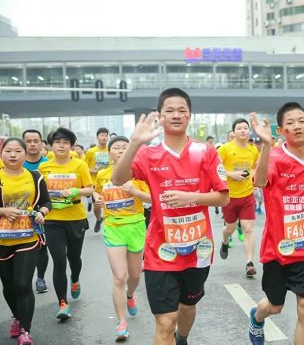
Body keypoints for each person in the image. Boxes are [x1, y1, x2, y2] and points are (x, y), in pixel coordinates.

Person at [111, 87, 229, 345]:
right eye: (169, 111)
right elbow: (117, 178)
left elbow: (223, 197)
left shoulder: (205, 152)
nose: (176, 115)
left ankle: (183, 338)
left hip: (198, 249)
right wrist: (135, 142)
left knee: (187, 309)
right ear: (160, 117)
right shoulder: (148, 154)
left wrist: (192, 197)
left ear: (190, 116)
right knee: (165, 322)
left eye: (182, 111)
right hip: (160, 251)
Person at [247, 103, 304, 345]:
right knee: (274, 306)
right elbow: (260, 182)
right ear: (282, 131)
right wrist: (265, 147)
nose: (297, 126)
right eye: (290, 123)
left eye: (301, 120)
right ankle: (256, 316)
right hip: (277, 249)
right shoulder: (275, 158)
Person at [94, 136, 151, 341]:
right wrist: (97, 201)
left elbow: (153, 199)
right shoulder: (102, 174)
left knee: (134, 276)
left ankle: (130, 295)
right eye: (115, 148)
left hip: (135, 225)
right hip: (113, 227)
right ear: (109, 153)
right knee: (120, 277)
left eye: (124, 148)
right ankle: (121, 322)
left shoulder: (139, 174)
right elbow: (97, 193)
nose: (119, 150)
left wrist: (134, 191)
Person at [39, 127, 94, 320]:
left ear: (70, 146)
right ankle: (62, 303)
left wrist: (74, 192)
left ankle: (76, 279)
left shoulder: (79, 165)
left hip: (75, 218)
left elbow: (90, 189)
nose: (61, 146)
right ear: (51, 146)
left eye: (65, 143)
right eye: (57, 142)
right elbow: (39, 193)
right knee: (59, 261)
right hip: (53, 220)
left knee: (74, 259)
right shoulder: (44, 168)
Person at [0, 137, 51, 345]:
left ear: (24, 154)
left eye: (17, 151)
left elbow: (46, 202)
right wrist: (3, 210)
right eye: (8, 151)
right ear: (2, 154)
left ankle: (25, 331)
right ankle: (17, 317)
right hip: (2, 240)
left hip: (27, 237)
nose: (13, 155)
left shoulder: (35, 176)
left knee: (22, 284)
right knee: (9, 286)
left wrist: (42, 213)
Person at [217, 118, 260, 276]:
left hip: (247, 195)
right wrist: (231, 174)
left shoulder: (253, 150)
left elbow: (255, 167)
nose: (243, 130)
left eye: (245, 128)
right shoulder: (225, 149)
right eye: (239, 128)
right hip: (229, 196)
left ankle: (249, 263)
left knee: (248, 228)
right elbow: (214, 168)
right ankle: (225, 240)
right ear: (233, 132)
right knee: (230, 228)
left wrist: (254, 176)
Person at [22, 129, 51, 295]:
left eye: (35, 141)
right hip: (17, 214)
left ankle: (40, 278)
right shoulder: (14, 164)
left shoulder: (48, 163)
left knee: (42, 245)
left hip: (43, 212)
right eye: (28, 141)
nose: (32, 144)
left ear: (41, 143)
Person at [85, 127, 111, 233]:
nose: (104, 137)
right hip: (95, 183)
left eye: (106, 135)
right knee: (97, 206)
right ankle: (99, 219)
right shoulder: (91, 151)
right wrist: (92, 171)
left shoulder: (110, 150)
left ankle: (111, 224)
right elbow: (84, 166)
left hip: (109, 182)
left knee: (110, 204)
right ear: (97, 137)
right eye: (102, 135)